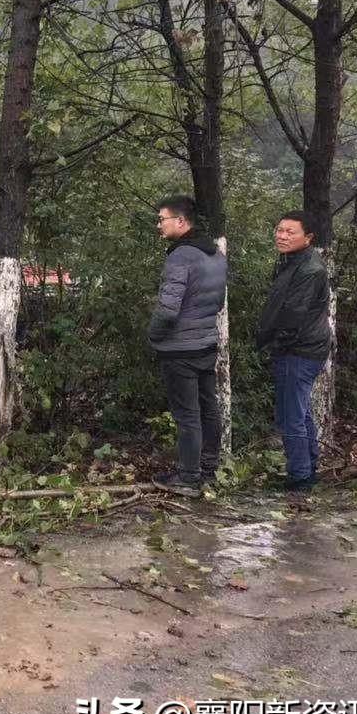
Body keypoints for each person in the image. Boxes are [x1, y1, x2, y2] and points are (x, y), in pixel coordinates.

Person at [148, 195, 227, 497]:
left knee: (187, 415)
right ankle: (208, 470)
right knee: (208, 409)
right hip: (206, 345)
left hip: (179, 349)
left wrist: (154, 335)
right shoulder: (216, 255)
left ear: (180, 221)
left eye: (162, 219)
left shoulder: (180, 256)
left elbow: (168, 310)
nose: (159, 225)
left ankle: (188, 478)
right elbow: (218, 303)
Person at [255, 210, 332, 492]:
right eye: (280, 230)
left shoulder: (309, 269)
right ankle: (307, 469)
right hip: (302, 347)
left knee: (290, 416)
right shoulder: (291, 261)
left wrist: (278, 345)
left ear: (307, 238)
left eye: (290, 232)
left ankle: (299, 478)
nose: (282, 236)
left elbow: (293, 316)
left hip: (299, 350)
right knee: (300, 411)